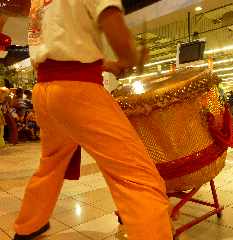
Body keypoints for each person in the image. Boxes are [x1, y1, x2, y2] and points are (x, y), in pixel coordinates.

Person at [13, 1, 172, 240]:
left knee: (51, 163)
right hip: (78, 92)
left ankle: (28, 225)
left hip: (45, 91)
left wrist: (110, 65)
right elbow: (118, 38)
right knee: (137, 175)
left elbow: (62, 46)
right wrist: (132, 55)